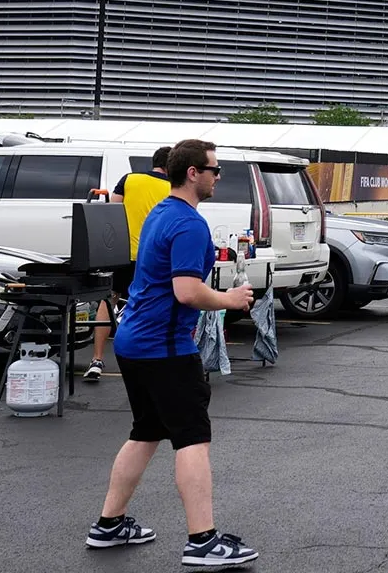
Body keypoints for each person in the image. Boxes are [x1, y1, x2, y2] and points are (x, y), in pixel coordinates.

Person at [86, 139, 259, 568]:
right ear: (193, 173)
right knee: (192, 438)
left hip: (134, 342)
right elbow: (186, 291)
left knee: (145, 433)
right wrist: (231, 298)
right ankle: (202, 541)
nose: (219, 176)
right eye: (214, 170)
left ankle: (109, 525)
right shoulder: (187, 223)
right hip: (163, 347)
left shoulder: (162, 212)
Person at [85, 146, 172, 381]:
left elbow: (112, 212)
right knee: (148, 304)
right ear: (171, 165)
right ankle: (146, 360)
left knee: (109, 299)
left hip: (122, 254)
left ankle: (96, 359)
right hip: (152, 257)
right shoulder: (173, 188)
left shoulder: (129, 179)